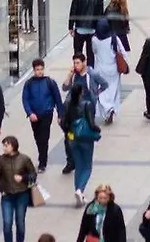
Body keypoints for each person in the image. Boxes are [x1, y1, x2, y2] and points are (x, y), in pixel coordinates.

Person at [61, 63, 103, 199]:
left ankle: (77, 189)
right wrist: (97, 131)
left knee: (78, 165)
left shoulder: (68, 105)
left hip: (72, 138)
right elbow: (91, 124)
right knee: (87, 166)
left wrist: (68, 133)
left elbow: (63, 123)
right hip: (85, 139)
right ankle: (80, 189)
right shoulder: (87, 105)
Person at [0, 136, 39, 242]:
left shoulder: (24, 159)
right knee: (7, 224)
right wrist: (0, 188)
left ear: (13, 146)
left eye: (6, 145)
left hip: (22, 194)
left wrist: (23, 178)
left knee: (20, 223)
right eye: (3, 145)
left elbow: (33, 174)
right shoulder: (0, 160)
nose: (4, 148)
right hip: (7, 195)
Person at [22, 58, 63, 170]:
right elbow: (25, 99)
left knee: (44, 138)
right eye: (37, 69)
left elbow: (57, 99)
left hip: (46, 113)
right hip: (34, 115)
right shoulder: (29, 84)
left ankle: (42, 162)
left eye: (41, 69)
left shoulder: (50, 82)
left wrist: (60, 114)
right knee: (37, 137)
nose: (39, 72)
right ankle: (42, 156)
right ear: (34, 70)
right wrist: (30, 113)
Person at [69, 0, 105, 64]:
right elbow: (100, 15)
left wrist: (70, 26)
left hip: (79, 28)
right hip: (92, 29)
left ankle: (78, 70)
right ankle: (89, 72)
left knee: (78, 53)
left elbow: (73, 11)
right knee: (91, 54)